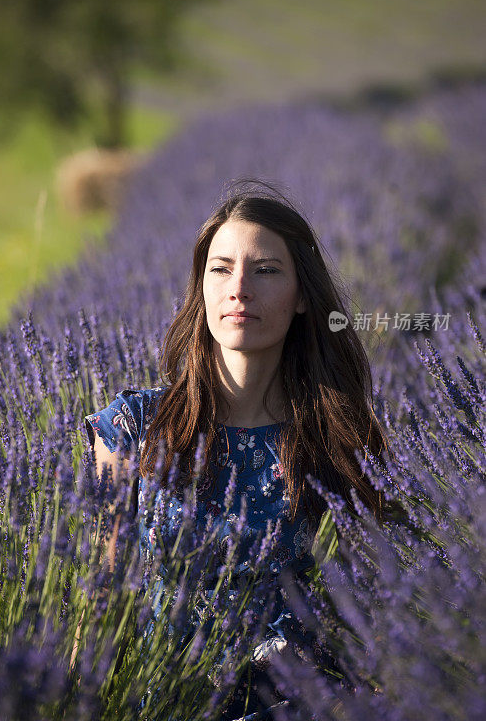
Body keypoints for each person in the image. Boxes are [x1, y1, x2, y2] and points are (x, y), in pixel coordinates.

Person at [84, 180, 390, 719]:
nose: (239, 288)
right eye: (220, 268)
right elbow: (102, 598)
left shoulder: (340, 442)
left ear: (301, 297)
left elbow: (376, 618)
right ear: (200, 288)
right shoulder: (134, 428)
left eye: (265, 270)